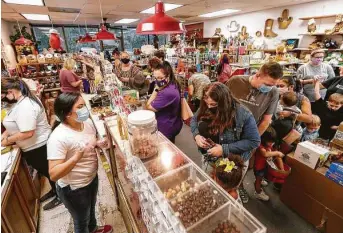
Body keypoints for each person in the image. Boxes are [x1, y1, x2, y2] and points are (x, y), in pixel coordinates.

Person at [47, 93, 112, 233]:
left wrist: (98, 144)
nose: (85, 110)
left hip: (91, 179)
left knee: (91, 210)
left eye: (84, 105)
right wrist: (76, 157)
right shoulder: (58, 138)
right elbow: (53, 174)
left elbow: (89, 142)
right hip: (74, 189)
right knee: (81, 220)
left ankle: (93, 229)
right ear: (67, 113)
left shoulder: (86, 123)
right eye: (80, 107)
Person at [1, 78, 61, 210]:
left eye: (3, 95)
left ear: (11, 91)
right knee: (48, 172)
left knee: (51, 172)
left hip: (39, 146)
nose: (3, 99)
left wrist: (7, 141)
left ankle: (61, 196)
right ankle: (55, 191)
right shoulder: (21, 101)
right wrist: (6, 134)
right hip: (36, 146)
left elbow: (28, 132)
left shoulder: (26, 105)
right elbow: (14, 122)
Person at [226, 62, 283, 204]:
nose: (270, 88)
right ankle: (222, 189)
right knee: (224, 163)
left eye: (273, 85)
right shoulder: (235, 81)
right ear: (257, 75)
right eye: (268, 84)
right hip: (227, 133)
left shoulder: (273, 92)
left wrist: (251, 141)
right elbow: (222, 106)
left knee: (241, 166)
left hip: (249, 136)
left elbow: (266, 120)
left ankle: (237, 188)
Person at [190, 82, 260, 182]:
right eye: (207, 103)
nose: (209, 107)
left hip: (232, 162)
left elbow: (254, 141)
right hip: (210, 159)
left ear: (224, 103)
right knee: (209, 187)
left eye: (213, 104)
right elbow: (194, 119)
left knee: (228, 191)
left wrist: (224, 149)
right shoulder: (206, 105)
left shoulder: (243, 114)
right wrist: (196, 135)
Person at [146, 61, 183, 143]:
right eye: (155, 78)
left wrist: (156, 89)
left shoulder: (167, 92)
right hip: (173, 122)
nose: (157, 81)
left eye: (160, 78)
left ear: (168, 75)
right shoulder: (173, 84)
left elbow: (148, 106)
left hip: (165, 128)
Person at [254, 127, 284, 201]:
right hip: (258, 167)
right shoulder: (260, 145)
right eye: (270, 142)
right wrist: (277, 153)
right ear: (263, 139)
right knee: (258, 179)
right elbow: (265, 154)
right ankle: (258, 192)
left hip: (264, 165)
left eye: (272, 142)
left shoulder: (268, 144)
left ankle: (260, 181)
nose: (271, 144)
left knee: (261, 176)